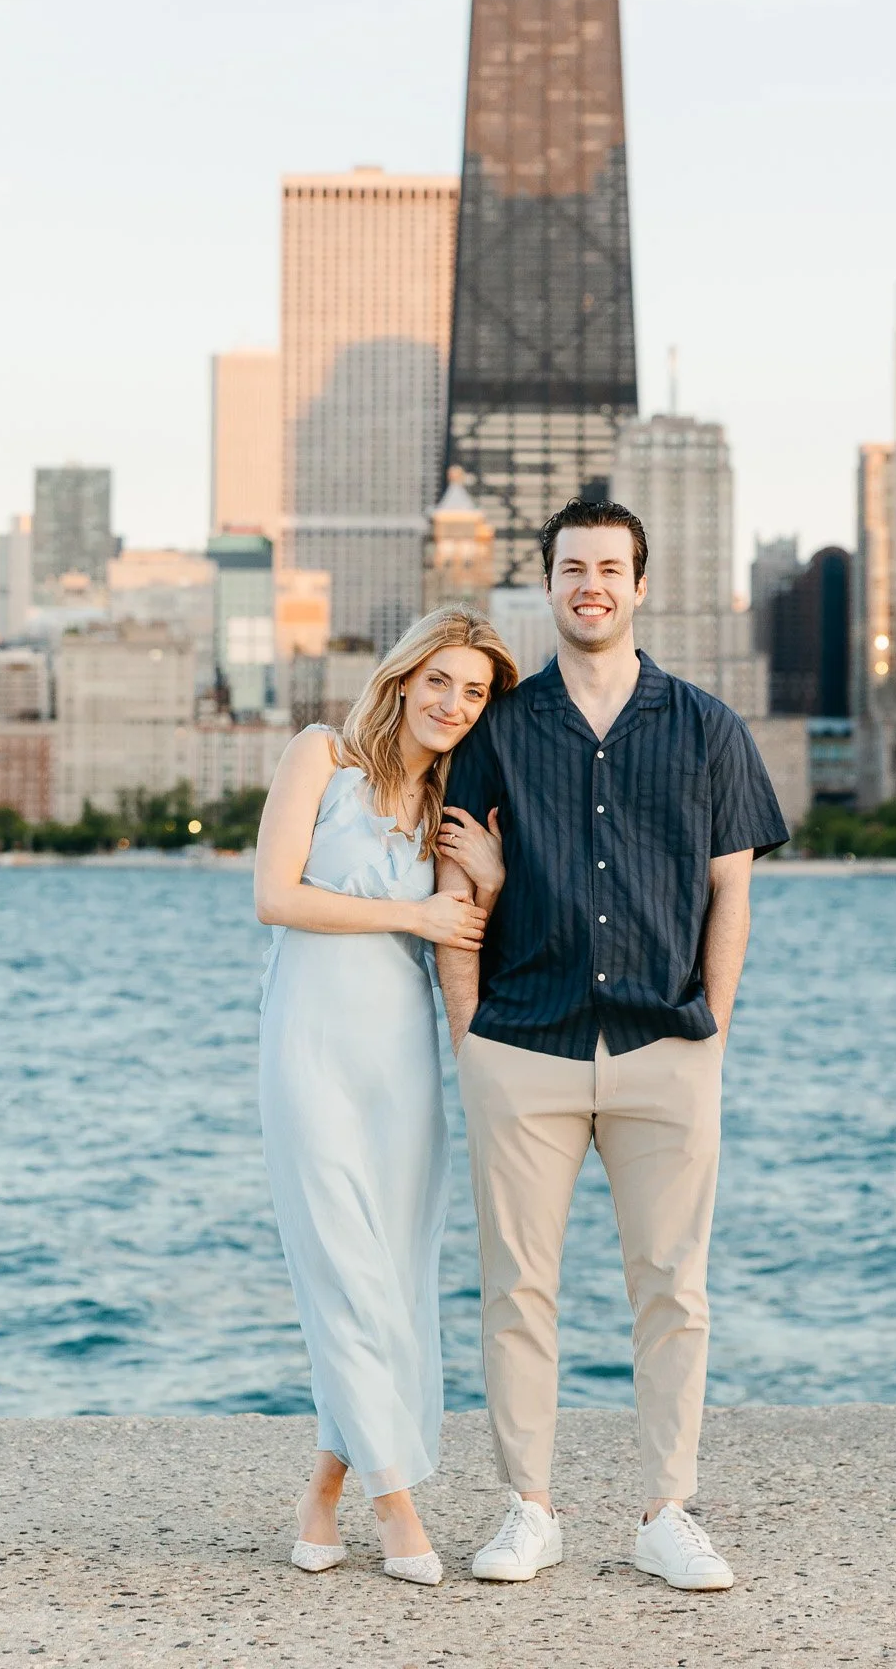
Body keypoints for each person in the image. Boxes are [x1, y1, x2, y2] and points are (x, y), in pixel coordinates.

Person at [435, 498, 788, 1591]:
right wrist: (469, 1043)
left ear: (640, 586)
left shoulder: (706, 727)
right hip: (521, 1045)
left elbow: (732, 890)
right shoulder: (496, 729)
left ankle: (665, 1510)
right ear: (546, 586)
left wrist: (711, 1033)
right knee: (515, 1286)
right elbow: (455, 888)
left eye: (609, 567)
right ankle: (526, 1505)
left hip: (664, 1044)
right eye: (570, 566)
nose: (589, 583)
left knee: (673, 1286)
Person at [254, 605, 516, 1587]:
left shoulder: (451, 803)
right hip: (310, 1049)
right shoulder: (321, 756)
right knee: (345, 1274)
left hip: (401, 1060)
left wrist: (483, 881)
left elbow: (461, 935)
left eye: (475, 690)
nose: (453, 702)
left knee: (394, 1283)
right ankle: (394, 1505)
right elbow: (274, 894)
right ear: (404, 677)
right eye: (440, 680)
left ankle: (320, 1491)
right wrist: (409, 908)